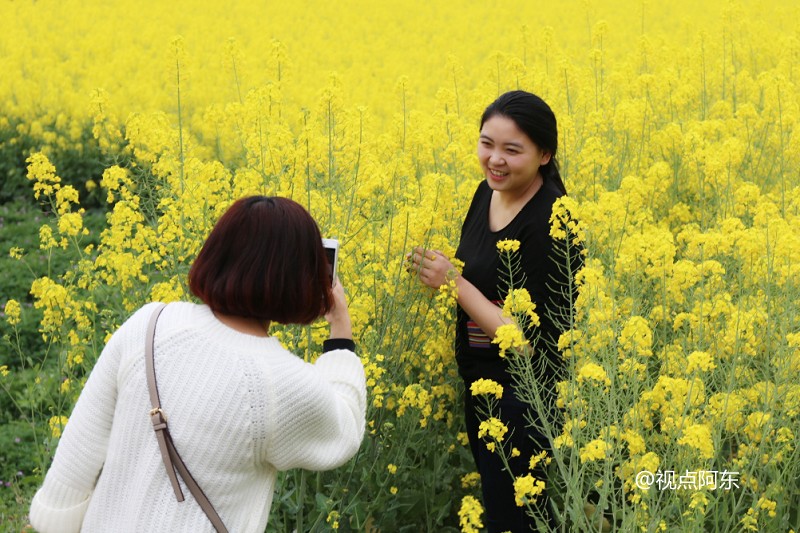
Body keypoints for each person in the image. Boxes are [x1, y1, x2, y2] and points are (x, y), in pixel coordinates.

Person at [29, 196, 367, 532]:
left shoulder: (148, 323)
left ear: (216, 253)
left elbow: (79, 451)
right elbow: (344, 429)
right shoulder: (279, 383)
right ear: (301, 279)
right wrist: (340, 326)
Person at [408, 90, 580, 532]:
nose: (495, 160)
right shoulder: (485, 194)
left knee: (515, 518)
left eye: (512, 149)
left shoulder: (555, 222)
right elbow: (481, 287)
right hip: (479, 384)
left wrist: (452, 282)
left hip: (526, 398)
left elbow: (527, 343)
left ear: (545, 154)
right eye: (487, 143)